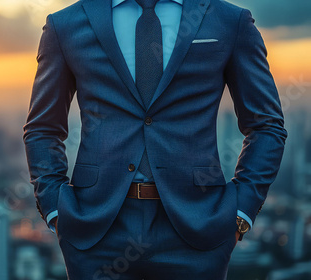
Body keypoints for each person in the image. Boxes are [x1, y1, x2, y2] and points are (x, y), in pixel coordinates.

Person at [23, 0, 287, 278]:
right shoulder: (64, 25)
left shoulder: (229, 20)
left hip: (198, 228)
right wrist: (56, 208)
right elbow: (43, 128)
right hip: (96, 231)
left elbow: (266, 125)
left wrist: (239, 212)